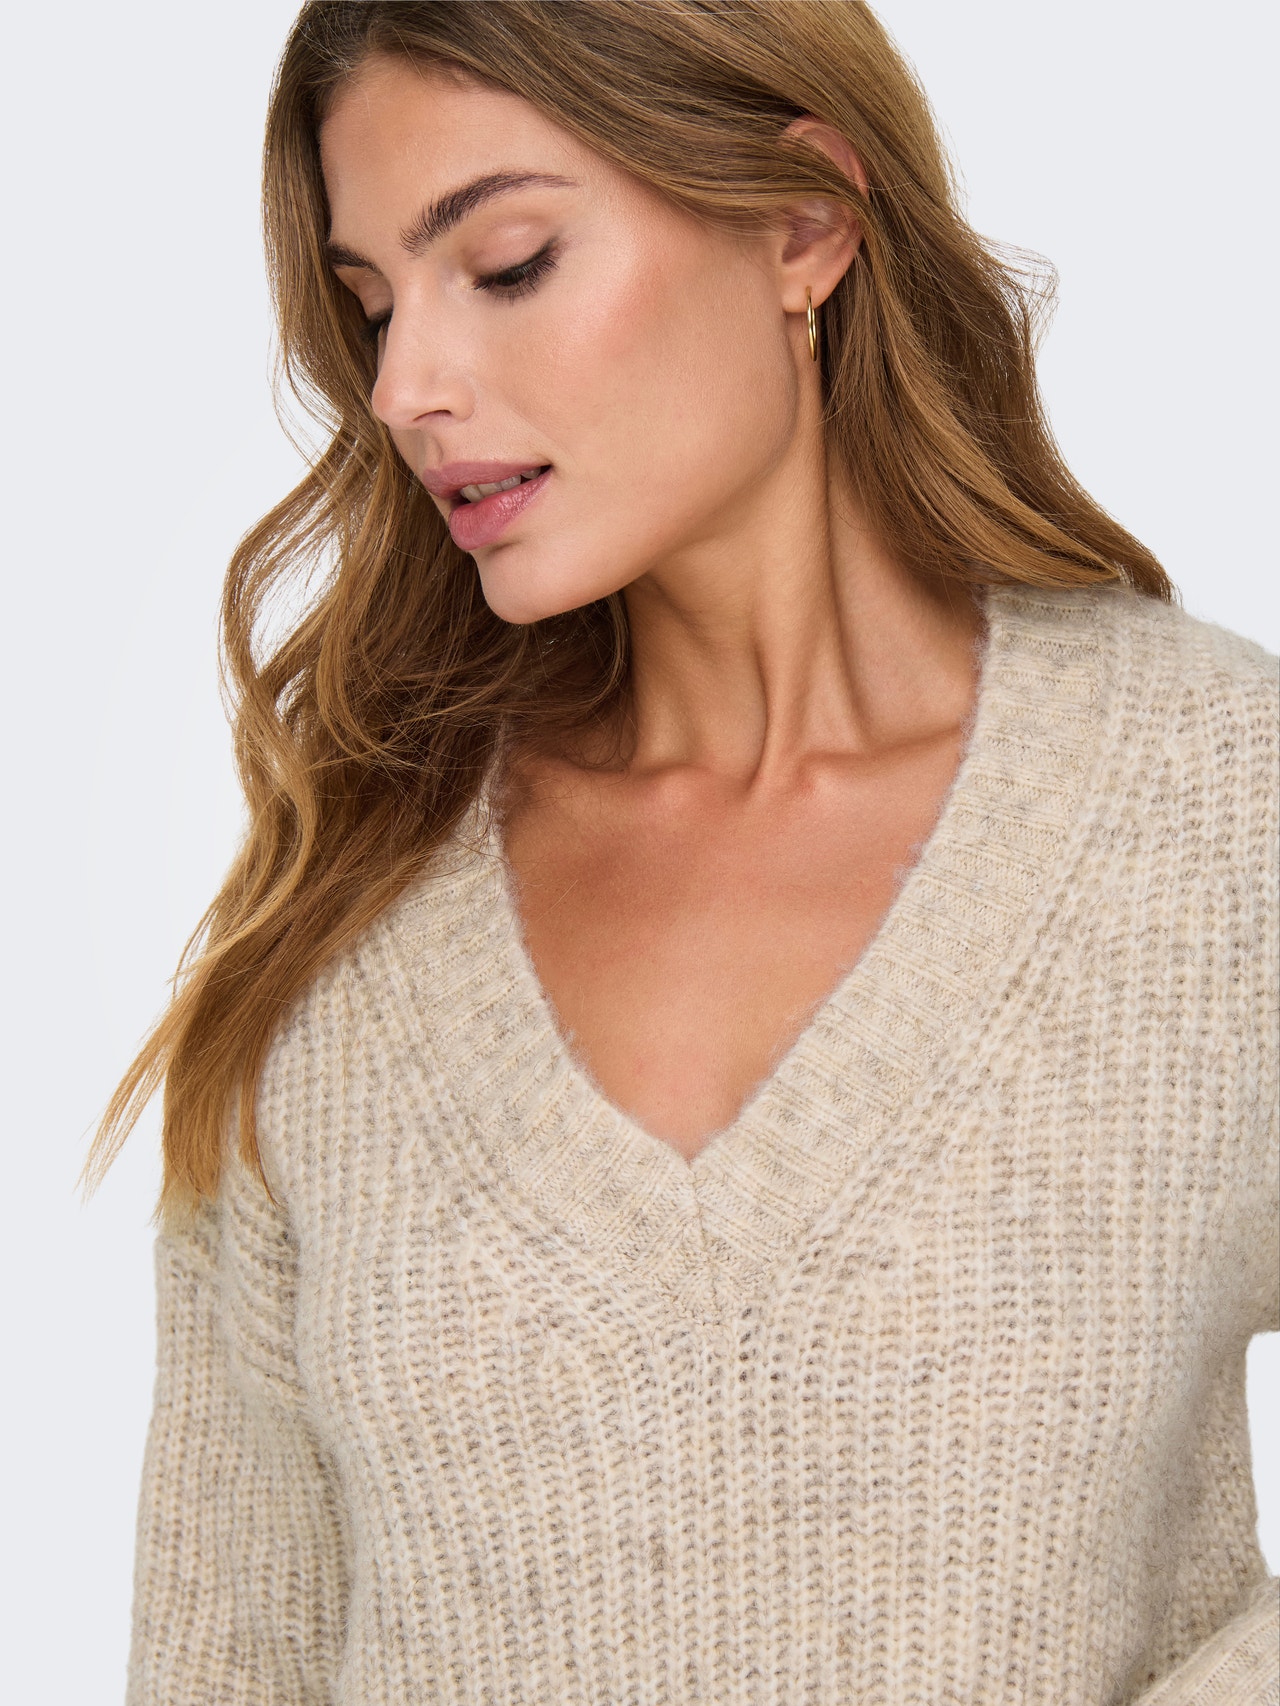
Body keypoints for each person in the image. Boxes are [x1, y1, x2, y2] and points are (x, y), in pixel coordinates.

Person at [94, 3, 1278, 1701]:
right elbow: (226, 1656)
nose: (407, 386)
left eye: (504, 263)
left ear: (801, 225)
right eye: (372, 306)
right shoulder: (342, 927)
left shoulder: (1214, 810)